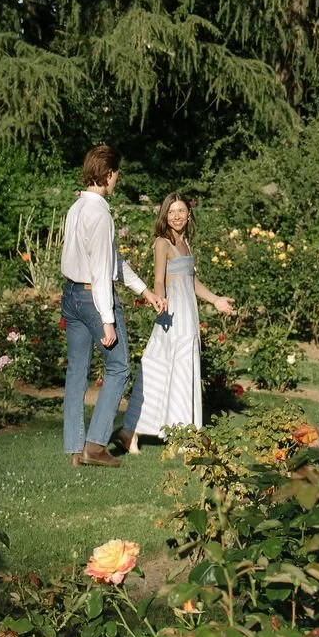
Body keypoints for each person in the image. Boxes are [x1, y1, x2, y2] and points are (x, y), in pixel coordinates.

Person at [58, 145, 158, 467]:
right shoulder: (100, 214)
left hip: (71, 294)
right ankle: (96, 446)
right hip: (93, 298)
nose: (117, 180)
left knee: (77, 372)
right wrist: (108, 320)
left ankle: (75, 450)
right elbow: (102, 271)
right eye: (117, 175)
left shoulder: (76, 208)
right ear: (109, 173)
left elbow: (111, 260)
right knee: (119, 367)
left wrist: (144, 291)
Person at [120, 193, 234, 450]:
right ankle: (138, 431)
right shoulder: (163, 243)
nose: (176, 216)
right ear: (164, 216)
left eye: (181, 211)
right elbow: (158, 279)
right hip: (172, 317)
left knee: (181, 371)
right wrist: (160, 300)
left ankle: (161, 432)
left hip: (189, 316)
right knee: (161, 370)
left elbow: (190, 280)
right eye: (171, 212)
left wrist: (215, 300)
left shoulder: (186, 243)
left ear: (189, 214)